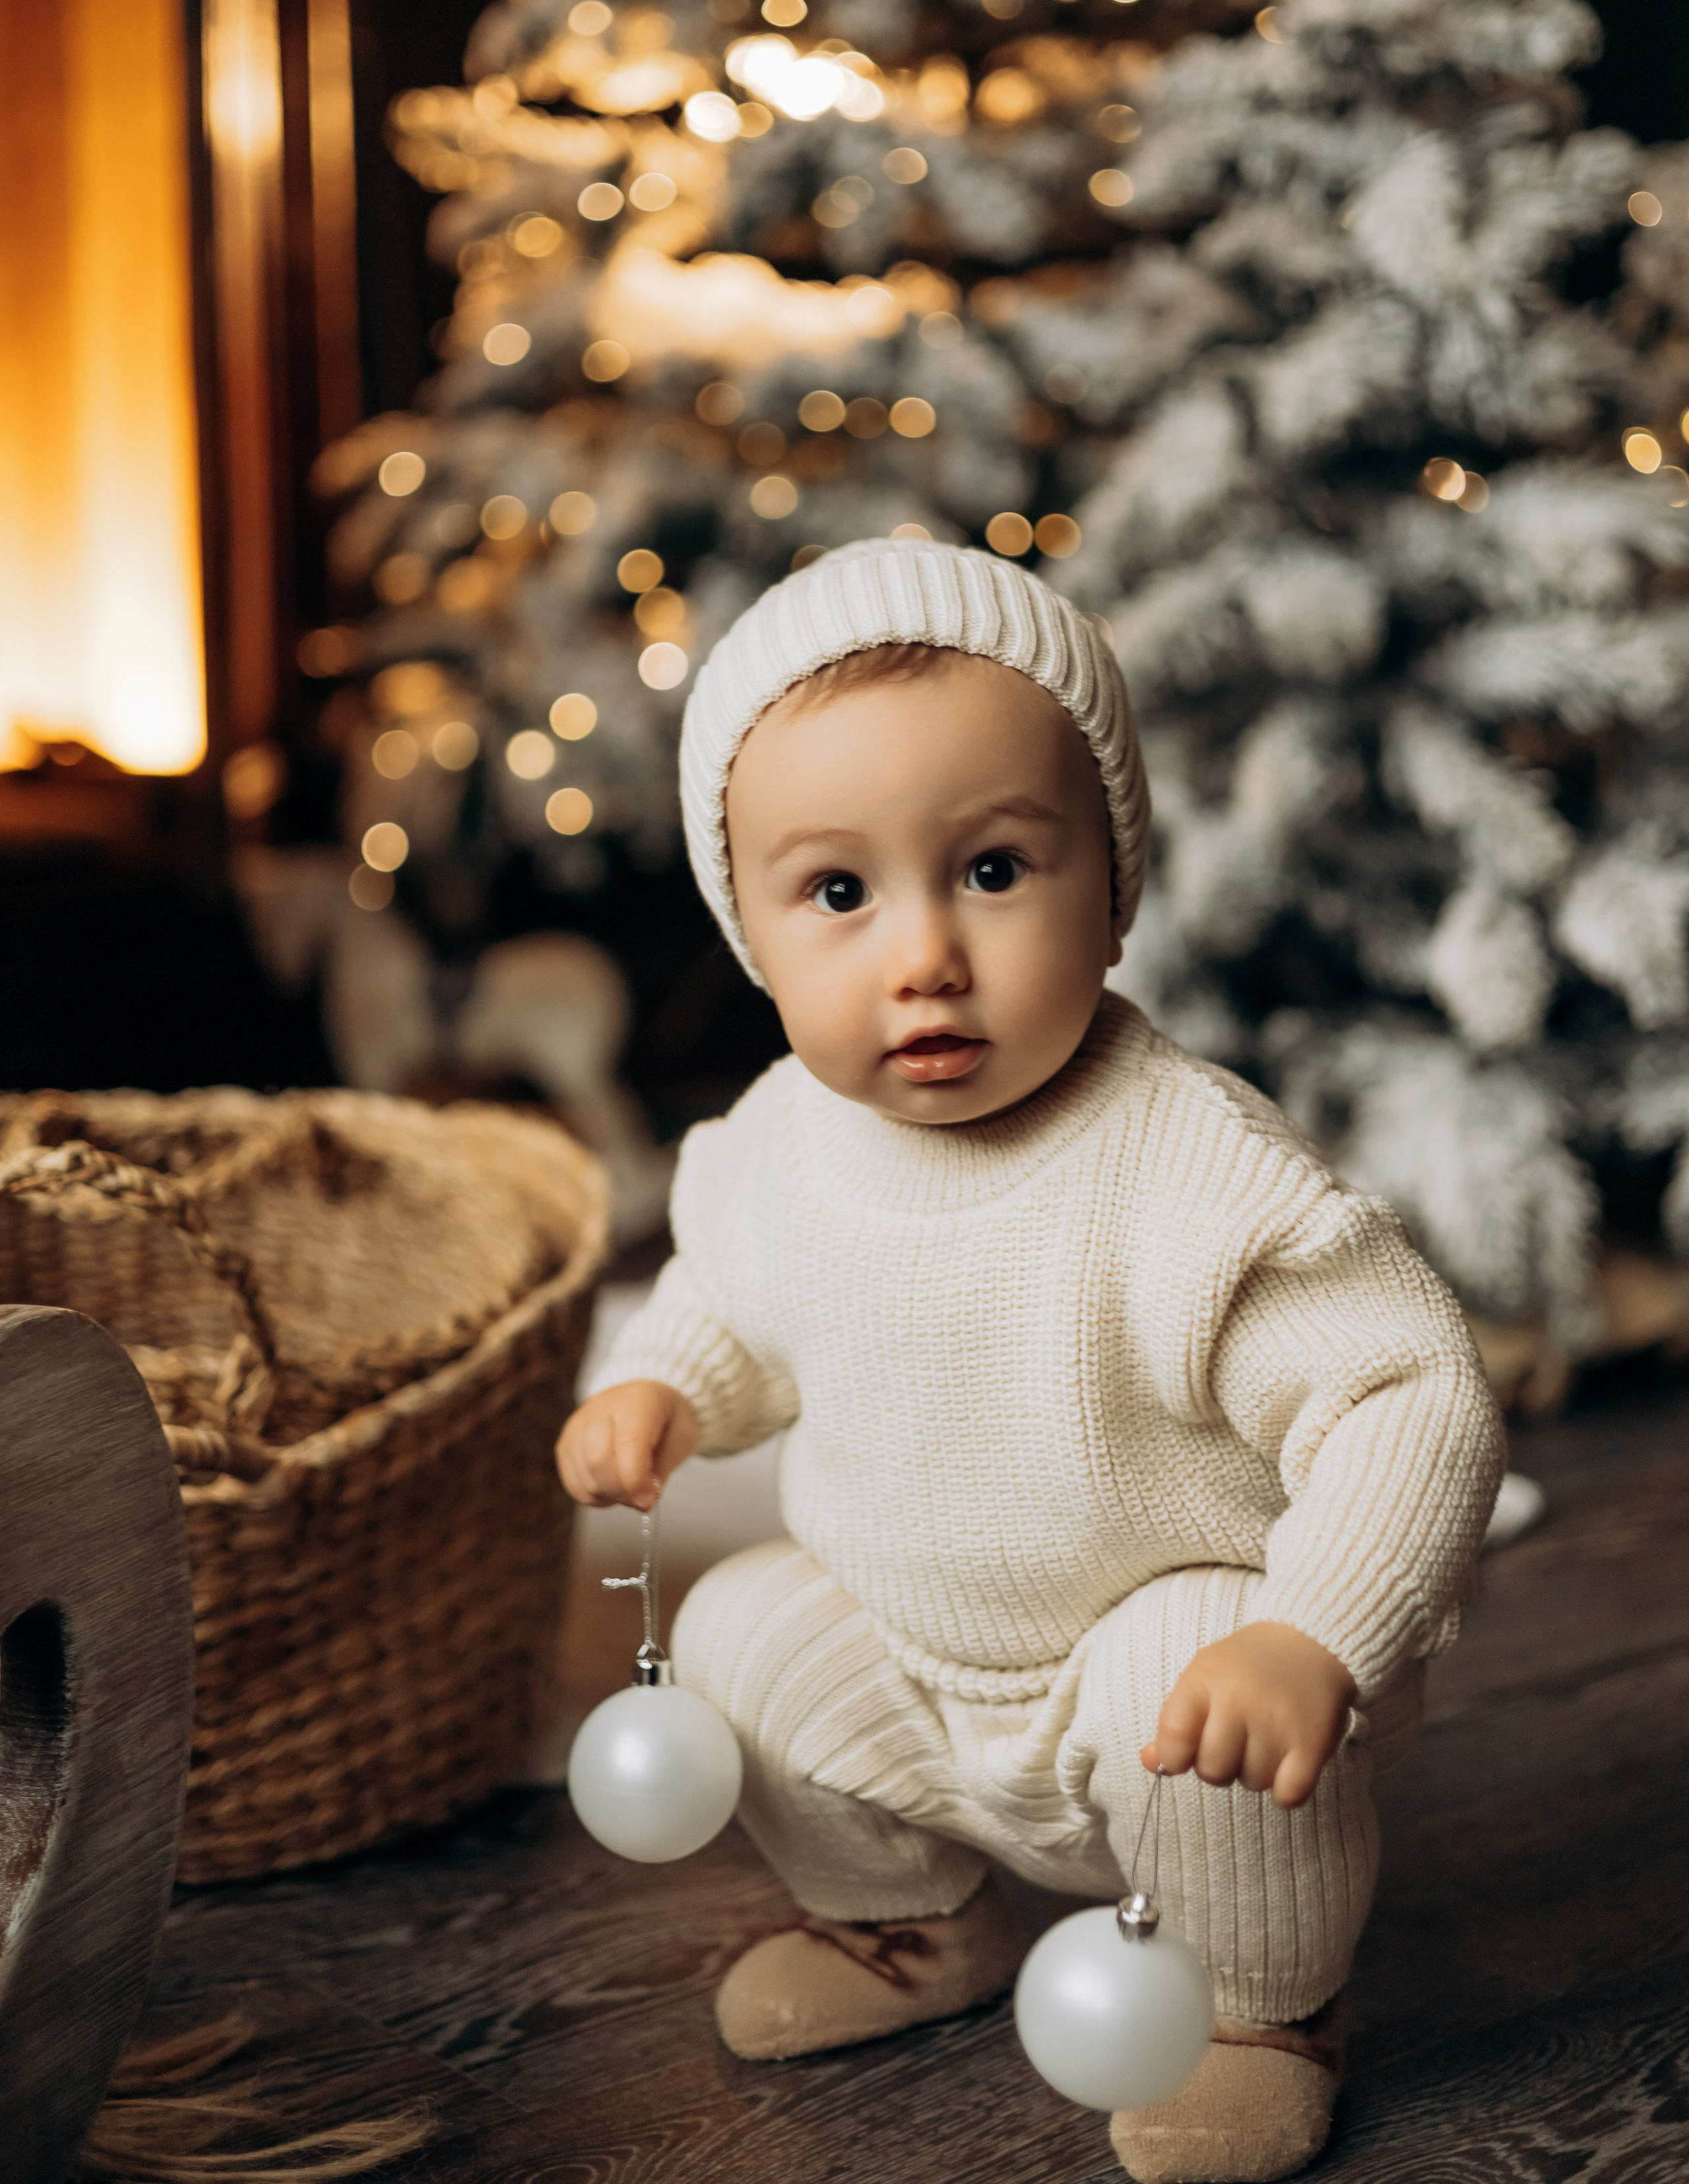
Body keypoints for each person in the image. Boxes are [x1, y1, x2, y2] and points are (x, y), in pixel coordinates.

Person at [557, 538, 1502, 2184]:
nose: (921, 954)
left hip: (1193, 1693)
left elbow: (1405, 1396)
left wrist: (1313, 1636)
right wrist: (664, 1386)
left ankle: (1255, 2010)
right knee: (739, 1633)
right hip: (917, 1666)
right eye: (837, 894)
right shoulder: (778, 1143)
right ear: (750, 935)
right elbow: (734, 1290)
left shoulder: (1188, 1167)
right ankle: (910, 1925)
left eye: (992, 870)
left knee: (1179, 1670)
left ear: (1112, 893)